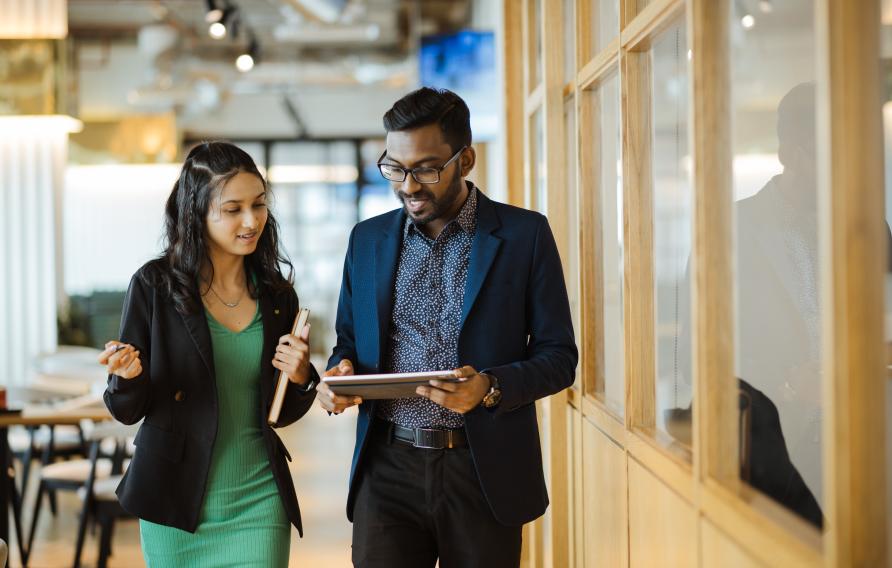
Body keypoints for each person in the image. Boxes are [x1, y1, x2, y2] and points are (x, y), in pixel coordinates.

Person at [319, 87, 578, 567]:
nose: (409, 186)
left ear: (467, 160)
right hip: (387, 465)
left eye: (426, 169)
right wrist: (338, 376)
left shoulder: (525, 235)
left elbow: (559, 357)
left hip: (482, 469)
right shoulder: (367, 239)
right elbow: (348, 344)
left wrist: (490, 388)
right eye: (395, 168)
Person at [98, 141, 319, 567]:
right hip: (175, 500)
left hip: (259, 498)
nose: (251, 220)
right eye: (233, 209)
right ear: (197, 212)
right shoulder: (154, 286)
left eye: (258, 205)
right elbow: (128, 410)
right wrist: (128, 376)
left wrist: (300, 375)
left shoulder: (277, 296)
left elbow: (281, 412)